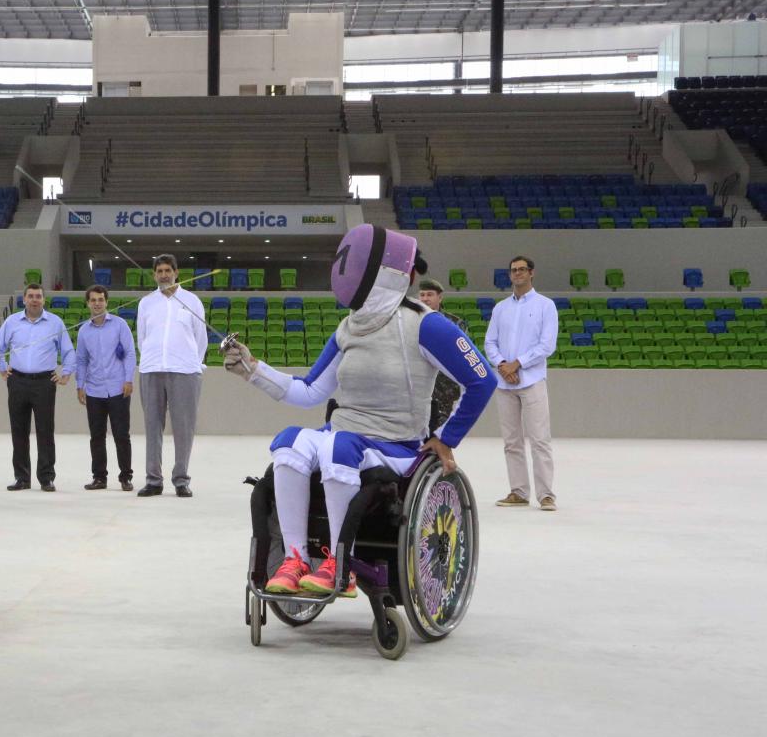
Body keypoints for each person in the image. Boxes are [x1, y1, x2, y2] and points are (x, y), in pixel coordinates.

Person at [224, 224, 496, 597]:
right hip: (344, 437)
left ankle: (342, 564)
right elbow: (308, 391)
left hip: (395, 445)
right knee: (287, 443)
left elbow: (483, 380)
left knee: (339, 447)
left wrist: (447, 439)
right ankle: (295, 559)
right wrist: (253, 370)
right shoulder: (349, 327)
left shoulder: (426, 325)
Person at [484, 255, 559, 511]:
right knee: (511, 441)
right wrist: (503, 365)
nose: (517, 274)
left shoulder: (545, 306)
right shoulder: (501, 308)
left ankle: (546, 494)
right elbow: (489, 343)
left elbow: (547, 345)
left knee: (540, 439)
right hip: (505, 383)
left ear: (531, 273)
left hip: (532, 380)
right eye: (513, 270)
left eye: (522, 269)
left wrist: (518, 363)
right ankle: (518, 491)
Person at [0, 282, 75, 492]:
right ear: (24, 299)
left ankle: (46, 478)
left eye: (38, 296)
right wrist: (1, 369)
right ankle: (22, 478)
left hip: (45, 383)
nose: (35, 300)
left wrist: (66, 374)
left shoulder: (55, 323)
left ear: (44, 300)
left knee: (45, 431)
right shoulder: (12, 322)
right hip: (17, 381)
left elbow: (69, 351)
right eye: (31, 296)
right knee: (19, 431)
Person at [136, 254, 208, 498]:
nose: (164, 275)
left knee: (183, 428)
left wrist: (190, 362)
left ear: (177, 273)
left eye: (168, 270)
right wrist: (151, 358)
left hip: (184, 371)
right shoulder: (146, 303)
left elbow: (201, 338)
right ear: (154, 275)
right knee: (152, 426)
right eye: (159, 271)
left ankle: (180, 479)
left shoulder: (192, 301)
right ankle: (153, 480)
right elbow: (142, 338)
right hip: (151, 369)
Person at [75, 284, 136, 491]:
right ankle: (99, 477)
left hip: (119, 388)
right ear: (87, 303)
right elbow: (81, 360)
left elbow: (129, 353)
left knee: (121, 434)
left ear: (106, 302)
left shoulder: (120, 325)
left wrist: (129, 379)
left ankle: (125, 476)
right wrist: (79, 385)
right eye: (93, 300)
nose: (97, 303)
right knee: (97, 436)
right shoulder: (84, 330)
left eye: (100, 299)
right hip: (94, 390)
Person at [417, 276, 470, 433]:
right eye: (422, 295)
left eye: (430, 294)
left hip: (444, 388)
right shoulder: (409, 321)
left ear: (439, 297)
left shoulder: (454, 323)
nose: (425, 299)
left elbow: (460, 355)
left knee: (440, 434)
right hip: (417, 385)